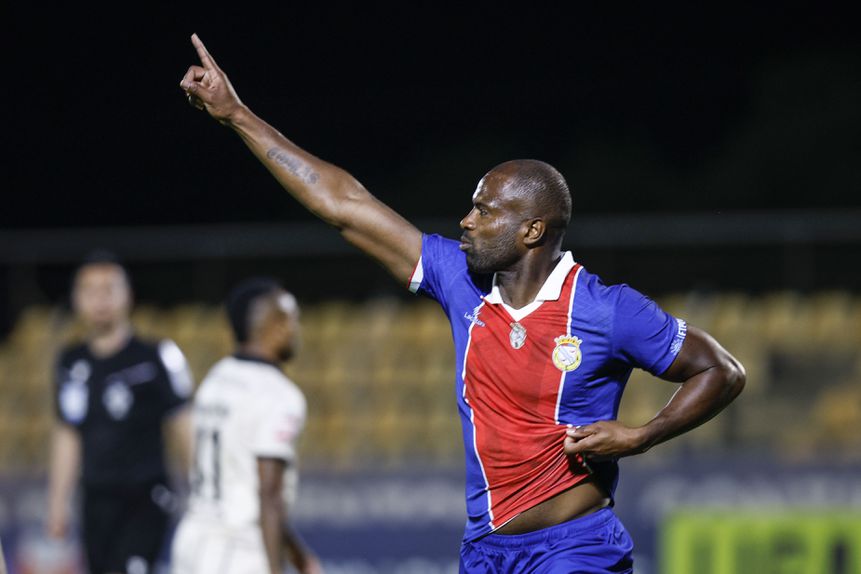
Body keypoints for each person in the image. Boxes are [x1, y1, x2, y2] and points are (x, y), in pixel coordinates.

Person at [180, 34, 746, 573]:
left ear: (532, 230)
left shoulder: (607, 309)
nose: (466, 221)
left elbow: (721, 370)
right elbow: (343, 204)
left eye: (484, 210)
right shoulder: (459, 279)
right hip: (484, 552)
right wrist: (237, 115)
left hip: (575, 548)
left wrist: (642, 435)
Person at [46, 252, 193, 574]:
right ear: (76, 298)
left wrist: (198, 491)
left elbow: (183, 424)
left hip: (146, 496)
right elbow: (68, 433)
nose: (100, 300)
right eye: (90, 291)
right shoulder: (71, 363)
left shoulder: (156, 357)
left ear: (128, 295)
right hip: (96, 500)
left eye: (109, 289)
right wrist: (57, 503)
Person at [171, 278, 321, 574]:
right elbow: (269, 495)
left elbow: (244, 486)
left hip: (192, 539)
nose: (295, 329)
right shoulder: (279, 395)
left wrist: (298, 555)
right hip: (238, 549)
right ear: (272, 325)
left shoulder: (217, 377)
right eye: (290, 318)